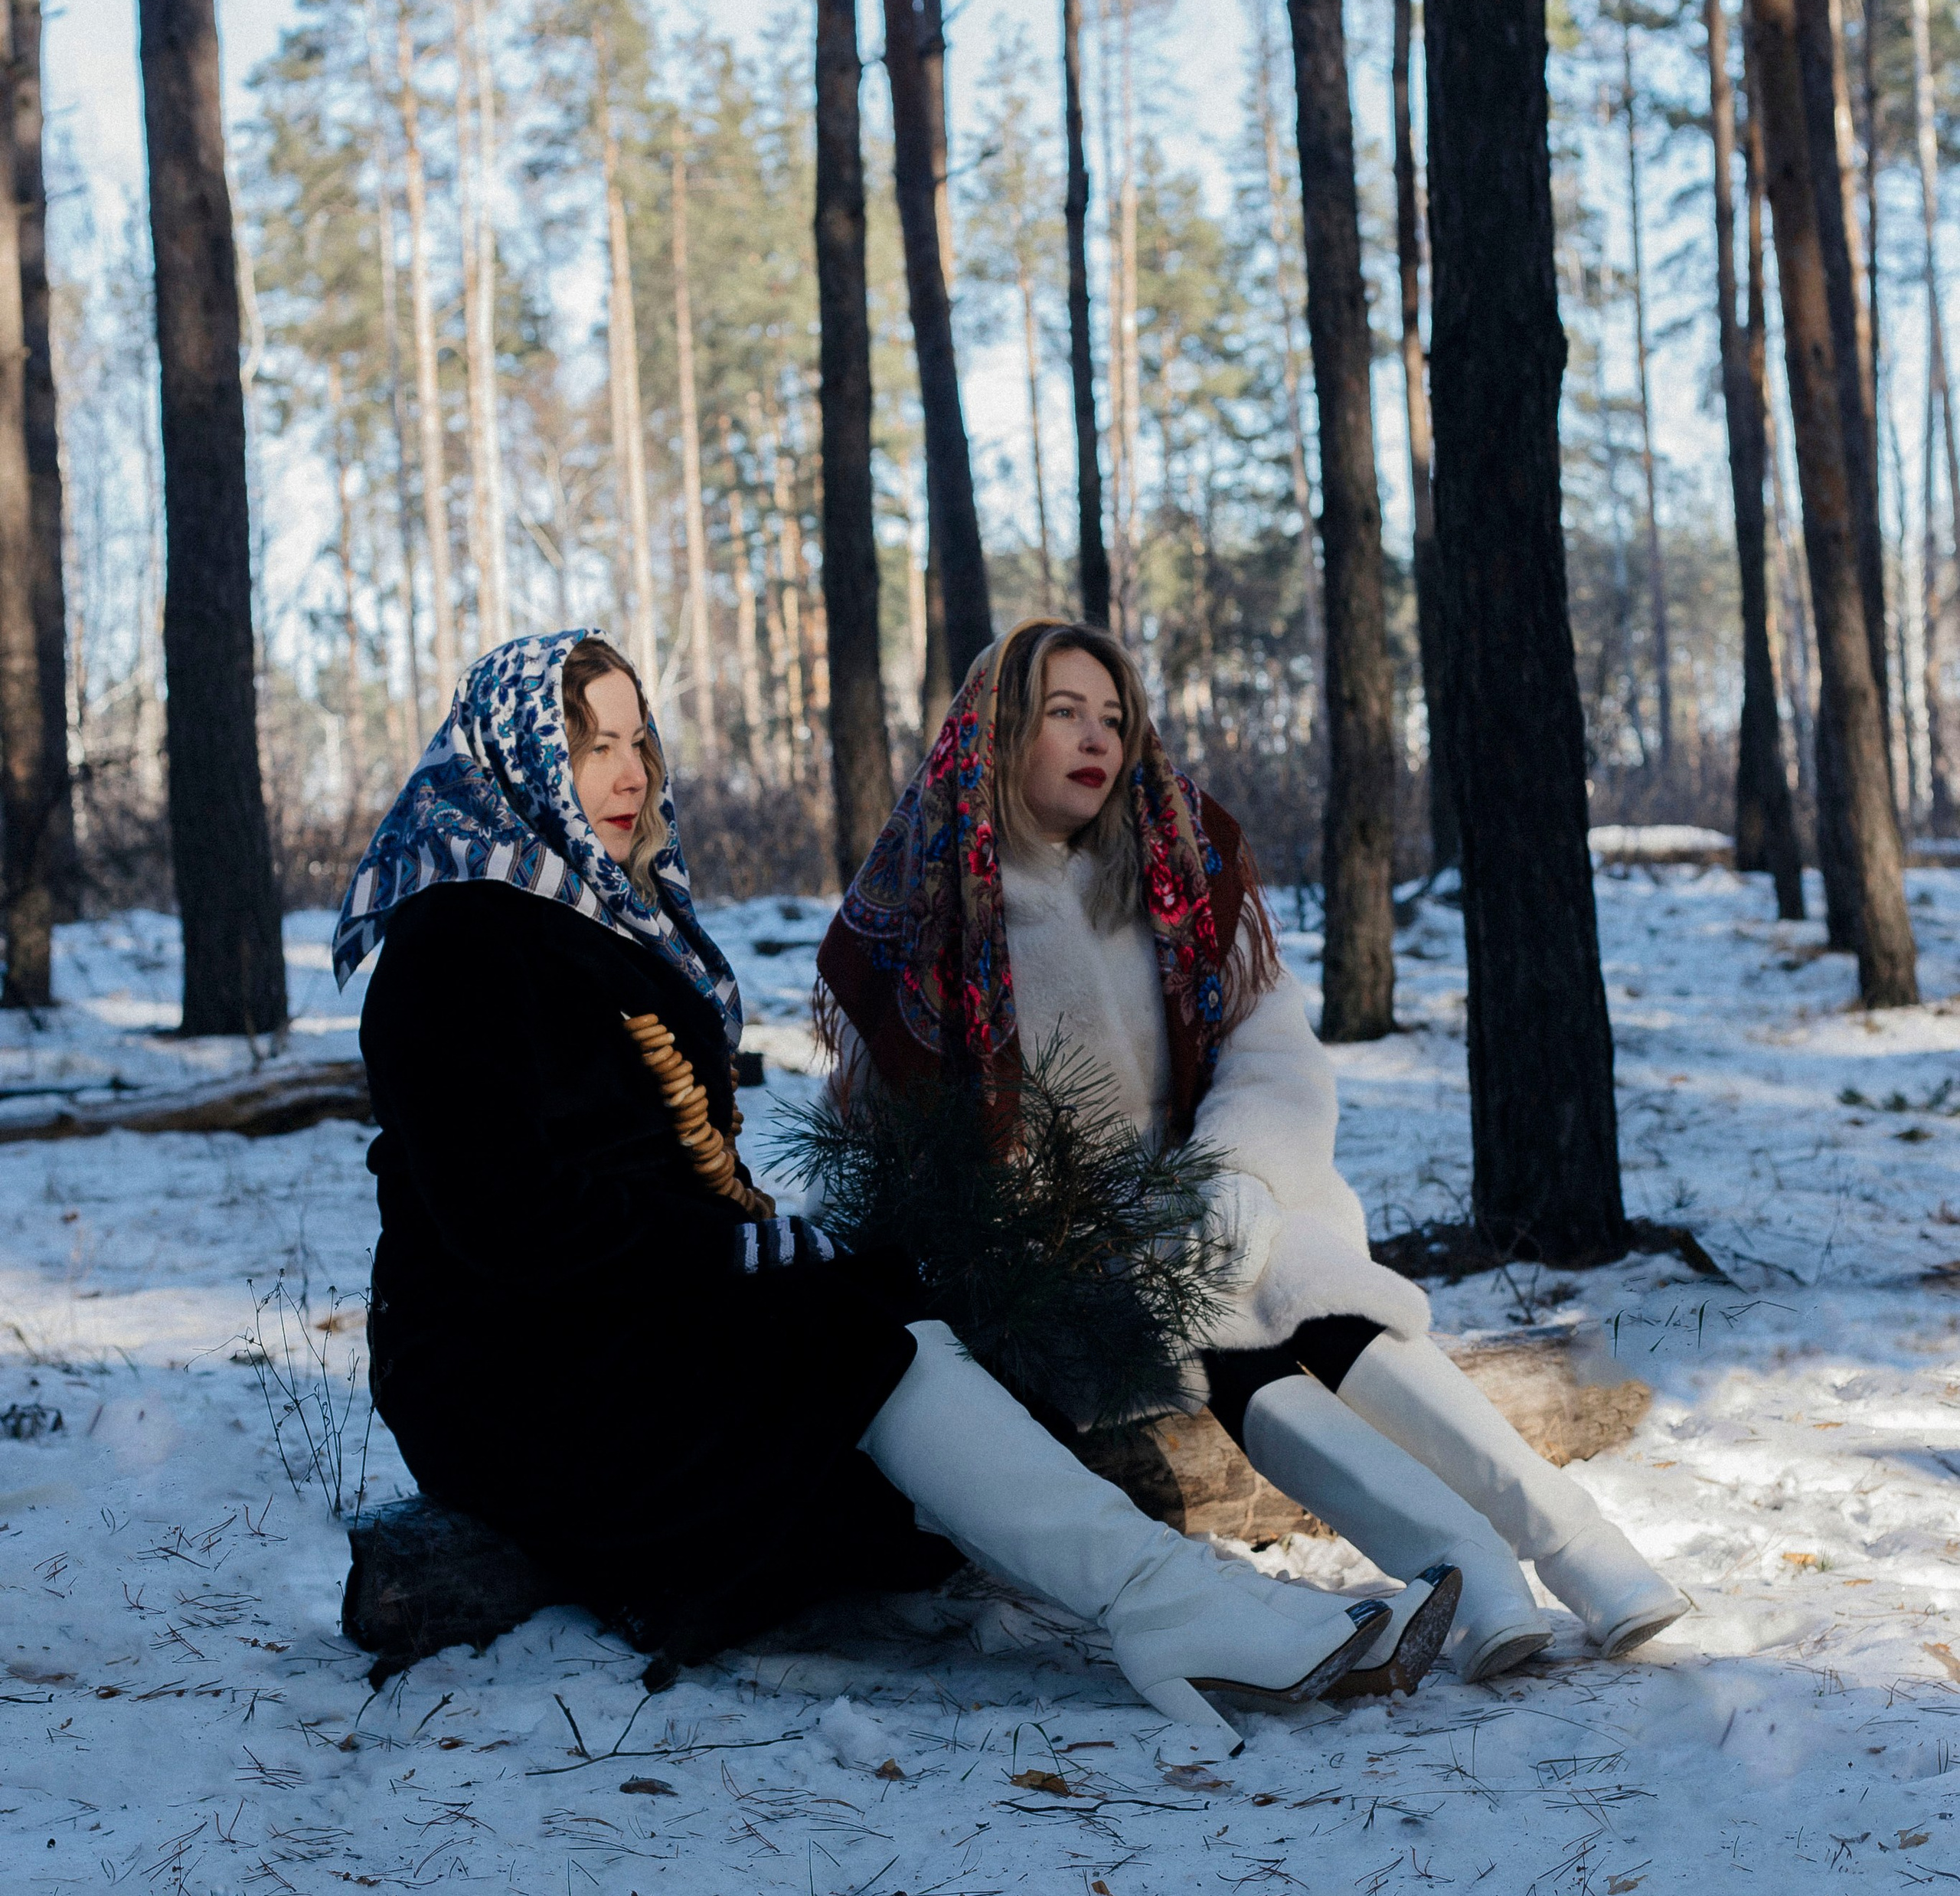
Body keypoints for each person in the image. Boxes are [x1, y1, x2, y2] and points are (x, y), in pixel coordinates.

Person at [332, 627, 1389, 1754]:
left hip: (625, 1315)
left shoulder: (592, 914)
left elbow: (663, 1171)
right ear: (522, 760)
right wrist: (730, 1257)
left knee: (892, 1309)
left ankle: (1183, 1600)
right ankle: (1173, 1610)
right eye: (593, 748)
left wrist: (755, 1250)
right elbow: (505, 1218)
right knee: (851, 1338)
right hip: (510, 1365)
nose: (630, 774)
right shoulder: (459, 940)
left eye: (639, 741)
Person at [817, 619, 1689, 1683]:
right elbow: (902, 1140)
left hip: (1224, 1190)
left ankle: (1577, 1543)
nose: (1097, 741)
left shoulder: (1176, 858)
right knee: (1232, 1344)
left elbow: (1273, 1053)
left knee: (1325, 1300)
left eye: (1113, 718)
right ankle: (1475, 1572)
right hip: (1064, 1250)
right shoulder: (929, 902)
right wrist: (1060, 1228)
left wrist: (1233, 1177)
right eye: (1062, 714)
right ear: (998, 731)